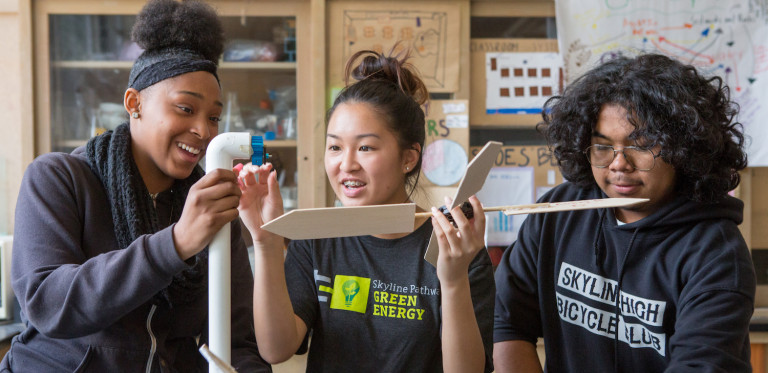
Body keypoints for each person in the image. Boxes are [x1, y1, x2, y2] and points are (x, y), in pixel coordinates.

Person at [2, 0, 270, 371]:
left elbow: (236, 341)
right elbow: (49, 305)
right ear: (134, 103)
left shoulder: (213, 209)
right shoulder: (59, 178)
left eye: (213, 117)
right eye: (185, 108)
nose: (204, 131)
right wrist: (176, 243)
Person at [493, 53, 755, 372]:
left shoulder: (715, 253)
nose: (619, 164)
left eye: (641, 145)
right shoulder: (559, 211)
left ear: (683, 147)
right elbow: (506, 323)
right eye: (603, 147)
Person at [237, 48, 495, 372]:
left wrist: (454, 280)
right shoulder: (315, 236)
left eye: (365, 147)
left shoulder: (455, 247)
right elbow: (276, 349)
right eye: (334, 146)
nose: (346, 164)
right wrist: (267, 242)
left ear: (409, 158)